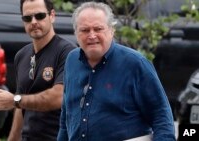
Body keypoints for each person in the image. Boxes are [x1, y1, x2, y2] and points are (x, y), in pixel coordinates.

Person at [57, 2, 176, 141]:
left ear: (111, 30)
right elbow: (66, 116)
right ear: (76, 33)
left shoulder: (135, 64)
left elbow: (161, 116)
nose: (92, 35)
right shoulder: (72, 61)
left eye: (98, 29)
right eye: (85, 30)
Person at [0, 0, 76, 140]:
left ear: (52, 15)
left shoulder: (67, 52)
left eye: (40, 16)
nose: (34, 21)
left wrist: (15, 100)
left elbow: (58, 97)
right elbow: (20, 109)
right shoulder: (21, 56)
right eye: (27, 18)